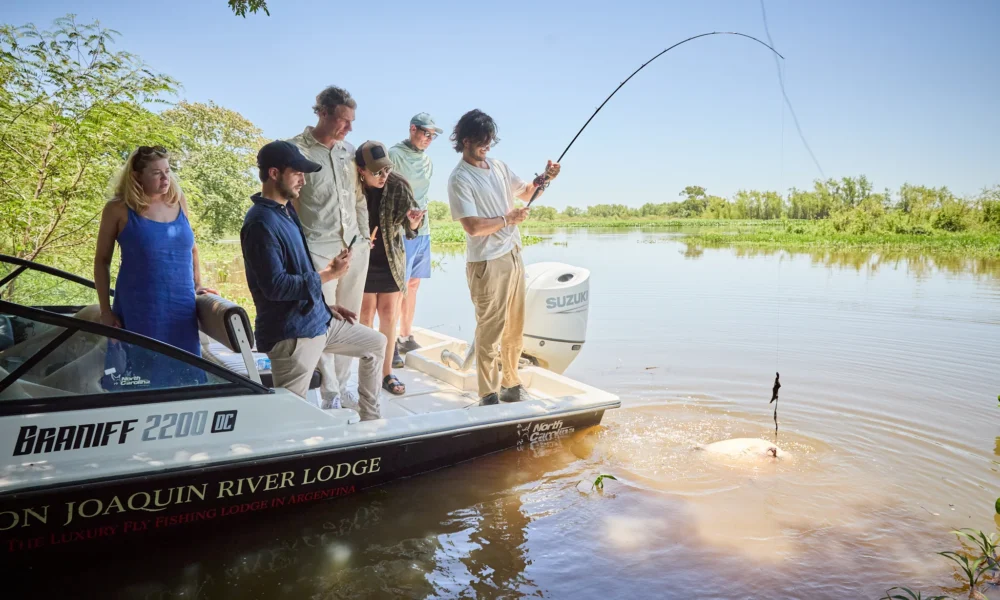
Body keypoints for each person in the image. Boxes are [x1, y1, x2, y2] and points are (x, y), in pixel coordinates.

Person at [240, 140, 385, 421]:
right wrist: (329, 274)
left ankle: (372, 424)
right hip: (293, 334)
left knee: (376, 345)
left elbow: (298, 269)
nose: (303, 181)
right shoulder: (260, 224)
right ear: (273, 173)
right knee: (287, 419)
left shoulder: (285, 211)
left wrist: (324, 305)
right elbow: (276, 287)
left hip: (317, 319)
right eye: (297, 173)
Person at [447, 110, 560, 405]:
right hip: (486, 262)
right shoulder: (459, 178)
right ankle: (487, 392)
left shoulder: (498, 166)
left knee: (514, 325)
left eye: (490, 142)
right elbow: (472, 227)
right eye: (482, 142)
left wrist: (543, 179)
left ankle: (512, 382)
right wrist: (507, 219)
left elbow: (525, 192)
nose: (487, 147)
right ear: (466, 140)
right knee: (490, 327)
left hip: (512, 254)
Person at [94, 145, 217, 389]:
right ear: (137, 176)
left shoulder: (178, 201)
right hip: (140, 311)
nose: (165, 178)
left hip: (181, 310)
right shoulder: (118, 209)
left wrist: (199, 284)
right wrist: (106, 311)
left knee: (187, 379)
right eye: (156, 173)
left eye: (168, 171)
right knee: (140, 381)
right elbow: (102, 261)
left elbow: (191, 248)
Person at [289, 86, 370, 410]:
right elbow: (288, 204)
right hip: (316, 250)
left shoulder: (349, 151)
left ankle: (344, 384)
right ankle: (330, 392)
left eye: (352, 121)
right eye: (343, 120)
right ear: (322, 112)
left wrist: (363, 237)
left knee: (352, 320)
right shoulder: (295, 151)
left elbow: (359, 197)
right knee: (322, 321)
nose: (349, 128)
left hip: (354, 248)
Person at [356, 141, 425, 395]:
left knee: (388, 315)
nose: (383, 176)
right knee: (365, 314)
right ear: (361, 170)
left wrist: (415, 223)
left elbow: (411, 229)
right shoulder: (351, 186)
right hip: (361, 260)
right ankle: (367, 372)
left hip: (390, 259)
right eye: (377, 172)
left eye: (386, 170)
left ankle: (386, 373)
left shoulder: (397, 184)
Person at [388, 113, 441, 362]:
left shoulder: (428, 160)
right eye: (426, 133)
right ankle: (391, 345)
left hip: (424, 230)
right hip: (403, 230)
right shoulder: (394, 154)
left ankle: (406, 337)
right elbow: (386, 191)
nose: (429, 138)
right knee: (399, 286)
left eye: (433, 135)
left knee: (413, 285)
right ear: (412, 129)